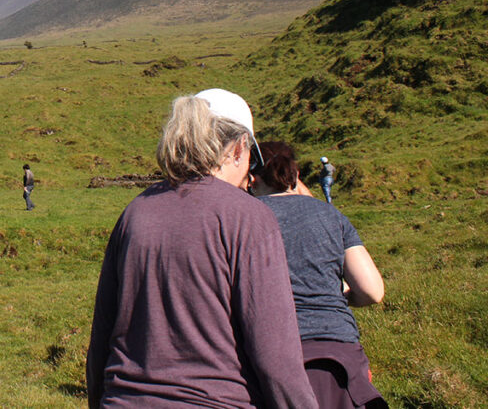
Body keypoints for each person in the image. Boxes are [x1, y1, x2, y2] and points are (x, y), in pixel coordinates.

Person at [86, 88, 317, 408]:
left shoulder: (135, 212)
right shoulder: (249, 217)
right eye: (252, 159)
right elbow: (276, 356)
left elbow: (101, 338)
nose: (249, 175)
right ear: (239, 148)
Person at [254, 142, 386, 408]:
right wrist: (335, 294)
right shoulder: (330, 214)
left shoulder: (242, 218)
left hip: (271, 356)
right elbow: (372, 291)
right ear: (296, 174)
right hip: (339, 354)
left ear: (252, 179)